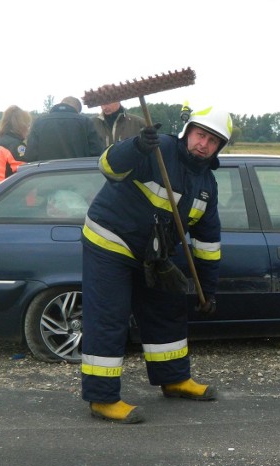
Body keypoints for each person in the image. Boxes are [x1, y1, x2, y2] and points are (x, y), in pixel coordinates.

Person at [81, 106, 232, 424]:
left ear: (219, 148)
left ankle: (174, 379)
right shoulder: (158, 147)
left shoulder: (207, 186)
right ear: (188, 131)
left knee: (167, 309)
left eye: (212, 141)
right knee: (110, 318)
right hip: (111, 240)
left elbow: (207, 243)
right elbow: (108, 167)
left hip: (153, 253)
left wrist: (208, 289)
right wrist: (135, 146)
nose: (203, 144)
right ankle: (102, 399)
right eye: (200, 134)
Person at [24, 96, 104, 161]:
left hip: (46, 177)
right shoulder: (85, 122)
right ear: (77, 110)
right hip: (79, 176)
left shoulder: (39, 123)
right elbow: (98, 153)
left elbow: (30, 156)